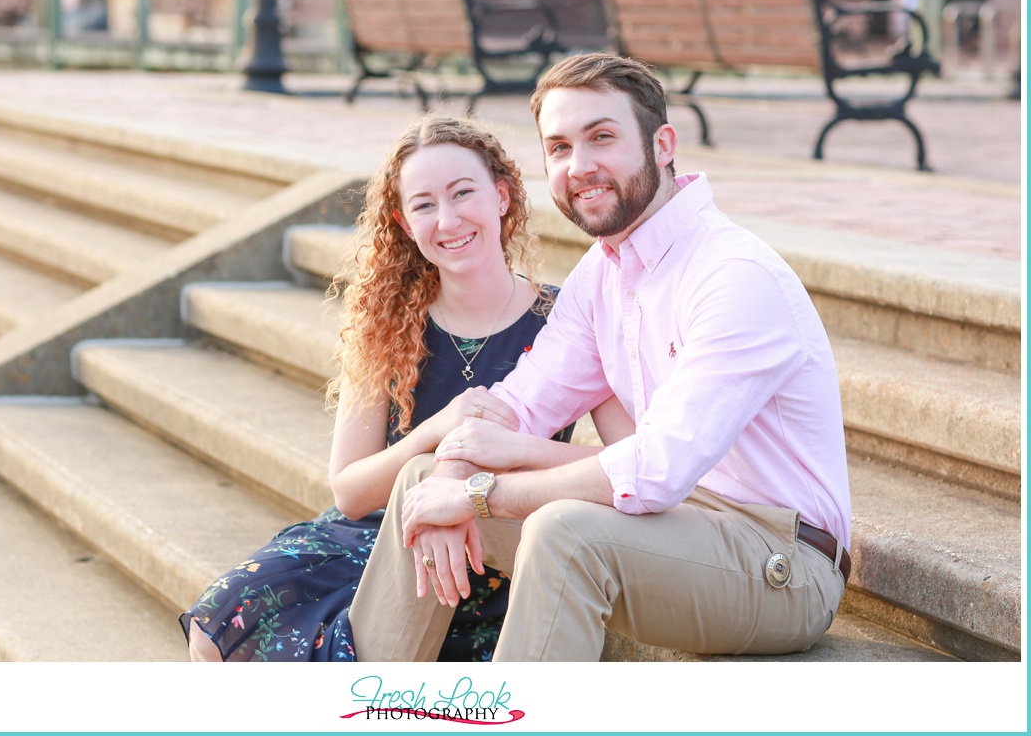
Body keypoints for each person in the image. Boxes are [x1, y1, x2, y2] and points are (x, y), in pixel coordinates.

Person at [349, 53, 853, 662]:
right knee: (422, 481)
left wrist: (479, 496)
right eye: (559, 148)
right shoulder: (602, 276)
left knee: (564, 534)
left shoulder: (734, 274)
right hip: (673, 524)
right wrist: (455, 473)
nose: (579, 166)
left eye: (602, 137)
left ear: (662, 144)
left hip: (780, 561)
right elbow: (517, 402)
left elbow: (658, 465)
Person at [180, 115, 618, 662]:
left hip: (488, 542)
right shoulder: (386, 323)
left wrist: (508, 458)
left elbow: (623, 459)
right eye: (425, 204)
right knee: (218, 627)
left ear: (503, 196)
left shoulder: (568, 320)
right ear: (404, 223)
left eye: (463, 193)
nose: (448, 219)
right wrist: (430, 435)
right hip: (362, 537)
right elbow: (349, 491)